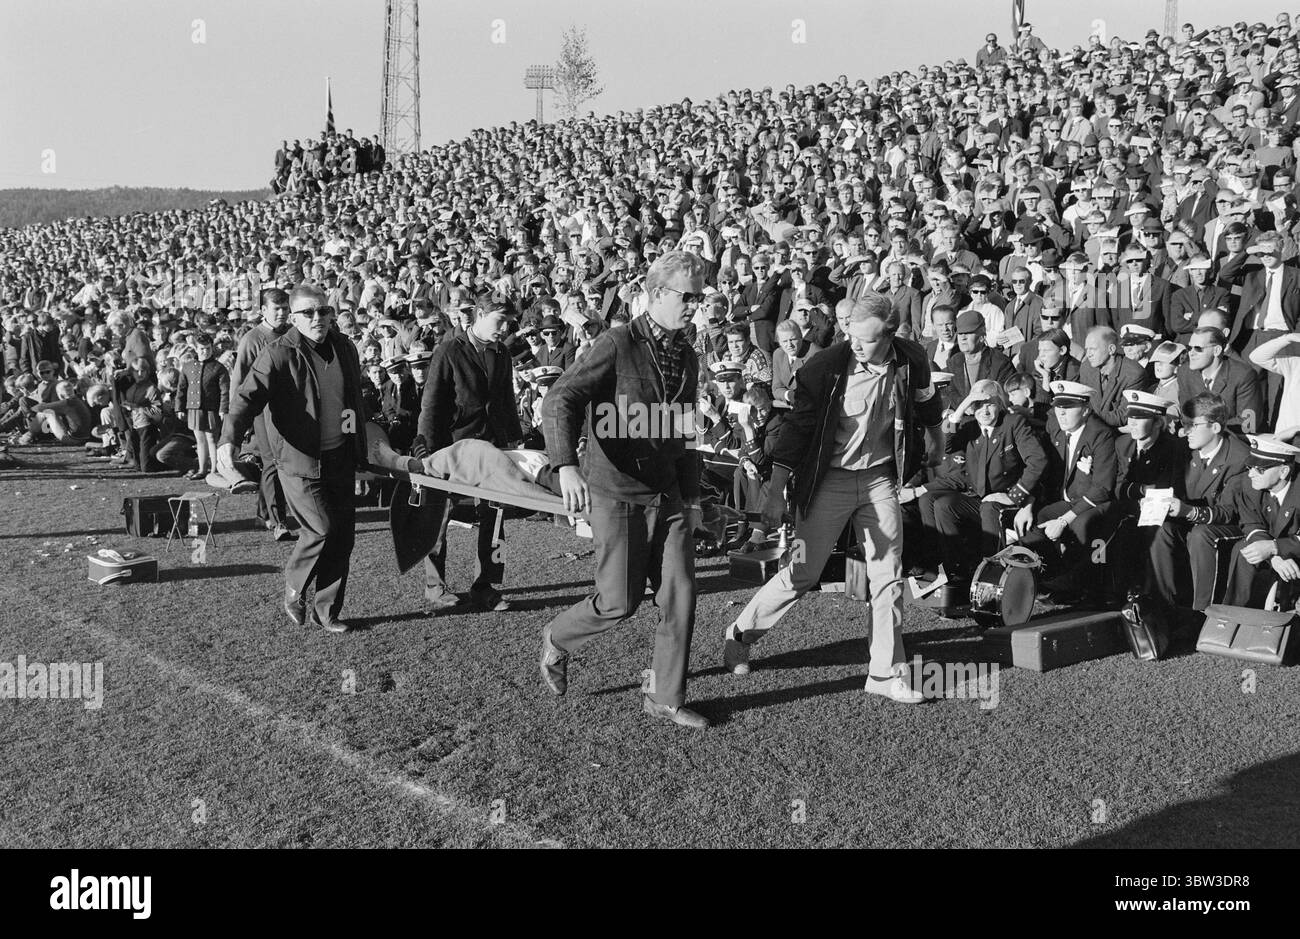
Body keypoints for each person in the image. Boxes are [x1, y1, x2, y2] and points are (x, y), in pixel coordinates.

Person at [721, 292, 945, 704]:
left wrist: (936, 438)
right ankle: (740, 634)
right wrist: (775, 493)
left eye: (866, 338)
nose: (854, 345)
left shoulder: (912, 357)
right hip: (828, 482)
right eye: (850, 335)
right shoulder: (823, 368)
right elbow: (797, 430)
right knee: (803, 572)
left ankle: (884, 673)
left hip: (879, 481)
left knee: (888, 575)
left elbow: (927, 401)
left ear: (891, 335)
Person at [539, 251, 710, 729]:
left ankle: (664, 696)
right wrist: (565, 465)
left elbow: (686, 429)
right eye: (687, 296)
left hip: (668, 490)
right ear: (656, 293)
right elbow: (561, 398)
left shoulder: (688, 355)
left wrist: (692, 498)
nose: (695, 306)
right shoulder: (615, 343)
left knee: (680, 594)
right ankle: (557, 636)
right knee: (619, 602)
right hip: (615, 488)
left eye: (699, 297)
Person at [218, 285, 369, 634]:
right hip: (300, 460)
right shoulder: (278, 353)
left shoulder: (344, 347)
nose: (317, 318)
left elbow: (354, 401)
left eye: (323, 311)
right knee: (320, 529)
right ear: (294, 317)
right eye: (308, 313)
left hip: (340, 455)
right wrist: (229, 439)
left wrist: (362, 446)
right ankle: (294, 586)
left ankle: (326, 611)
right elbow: (246, 398)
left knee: (343, 537)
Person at [414, 303, 521, 614]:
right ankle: (436, 589)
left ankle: (484, 587)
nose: (505, 329)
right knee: (438, 517)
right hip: (452, 448)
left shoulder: (501, 353)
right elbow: (432, 402)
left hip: (492, 448)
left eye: (510, 323)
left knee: (495, 517)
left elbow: (505, 399)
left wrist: (512, 438)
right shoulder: (448, 350)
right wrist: (427, 449)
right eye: (501, 320)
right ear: (480, 313)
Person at [905, 379, 1047, 586]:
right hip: (978, 496)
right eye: (978, 405)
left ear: (999, 403)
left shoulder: (1013, 423)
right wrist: (963, 406)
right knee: (935, 501)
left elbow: (1037, 460)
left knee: (988, 507)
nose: (984, 411)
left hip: (1006, 500)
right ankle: (952, 570)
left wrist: (1014, 495)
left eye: (989, 404)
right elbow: (945, 444)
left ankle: (991, 577)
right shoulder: (970, 427)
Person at [1014, 380, 1119, 605]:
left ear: (1085, 409)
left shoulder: (1100, 435)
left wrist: (1063, 520)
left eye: (1068, 408)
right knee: (1036, 520)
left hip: (1094, 503)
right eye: (1058, 408)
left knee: (1082, 524)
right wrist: (1028, 504)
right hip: (1068, 500)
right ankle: (1053, 579)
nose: (1061, 413)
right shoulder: (1057, 430)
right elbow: (1045, 472)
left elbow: (1102, 488)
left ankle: (1084, 587)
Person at [232, 288, 294, 542]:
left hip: (292, 408)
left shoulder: (293, 333)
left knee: (283, 462)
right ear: (263, 311)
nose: (281, 313)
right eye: (276, 308)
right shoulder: (252, 338)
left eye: (285, 308)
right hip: (263, 410)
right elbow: (239, 381)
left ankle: (263, 513)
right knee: (273, 463)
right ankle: (280, 521)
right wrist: (240, 419)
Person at [1221, 434, 1300, 607]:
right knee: (1244, 549)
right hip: (1280, 553)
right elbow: (1252, 525)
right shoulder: (1251, 485)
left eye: (1260, 469)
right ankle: (1232, 615)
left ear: (1284, 471)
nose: (1251, 474)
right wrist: (1274, 557)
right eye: (1250, 466)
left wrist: (1274, 547)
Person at [177, 333, 229, 480]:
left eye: (207, 348)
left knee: (212, 439)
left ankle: (214, 469)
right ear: (196, 349)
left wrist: (223, 409)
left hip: (212, 408)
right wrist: (179, 408)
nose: (204, 352)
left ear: (212, 348)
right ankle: (201, 469)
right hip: (193, 408)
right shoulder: (187, 367)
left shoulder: (218, 368)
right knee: (199, 440)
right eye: (201, 349)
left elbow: (225, 390)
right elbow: (181, 389)